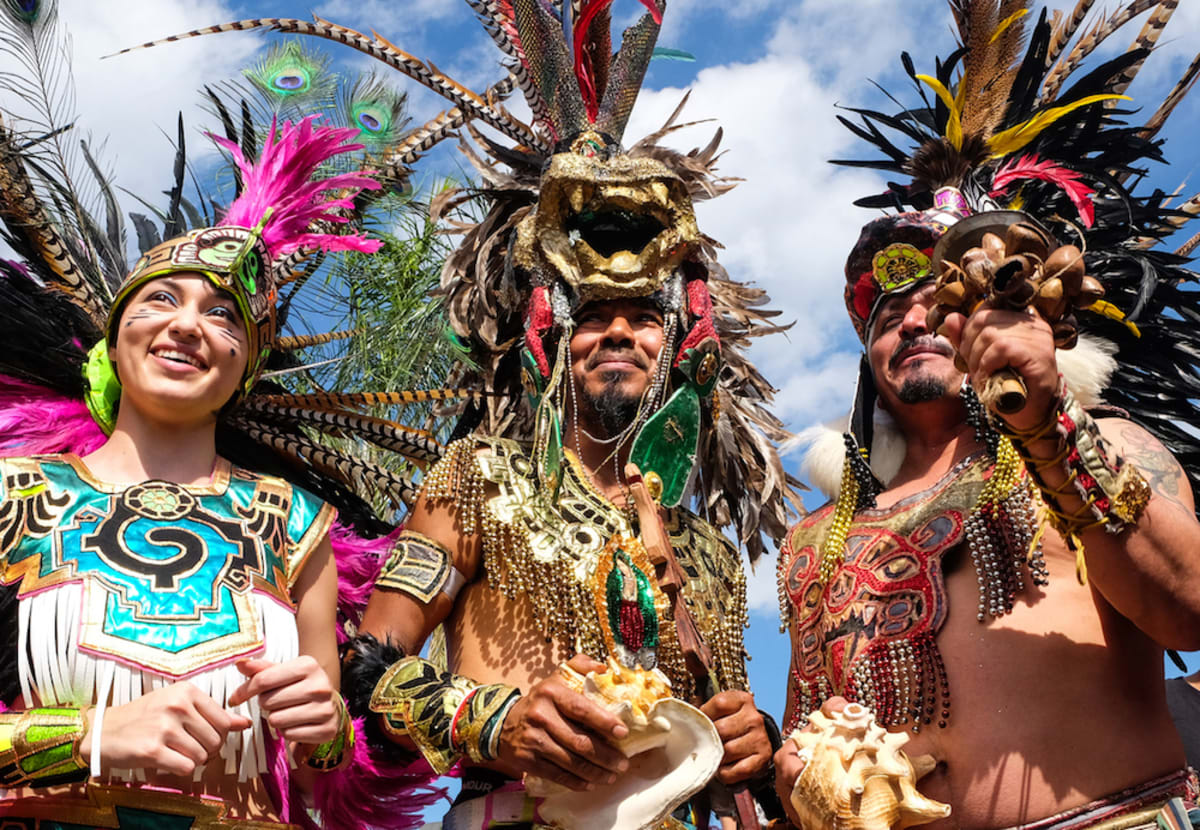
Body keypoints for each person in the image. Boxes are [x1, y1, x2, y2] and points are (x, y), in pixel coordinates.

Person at [773, 3, 1200, 827]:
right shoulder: (813, 540)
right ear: (867, 352)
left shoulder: (1105, 441)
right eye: (888, 311)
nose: (915, 319)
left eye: (943, 300)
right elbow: (810, 730)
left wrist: (1045, 427)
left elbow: (1191, 607)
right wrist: (801, 773)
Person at [0, 116, 394, 827]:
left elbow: (319, 790)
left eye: (223, 316)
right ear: (115, 341)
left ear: (244, 367)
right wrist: (90, 736)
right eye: (161, 299)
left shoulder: (298, 528)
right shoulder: (12, 496)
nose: (187, 325)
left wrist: (328, 734)